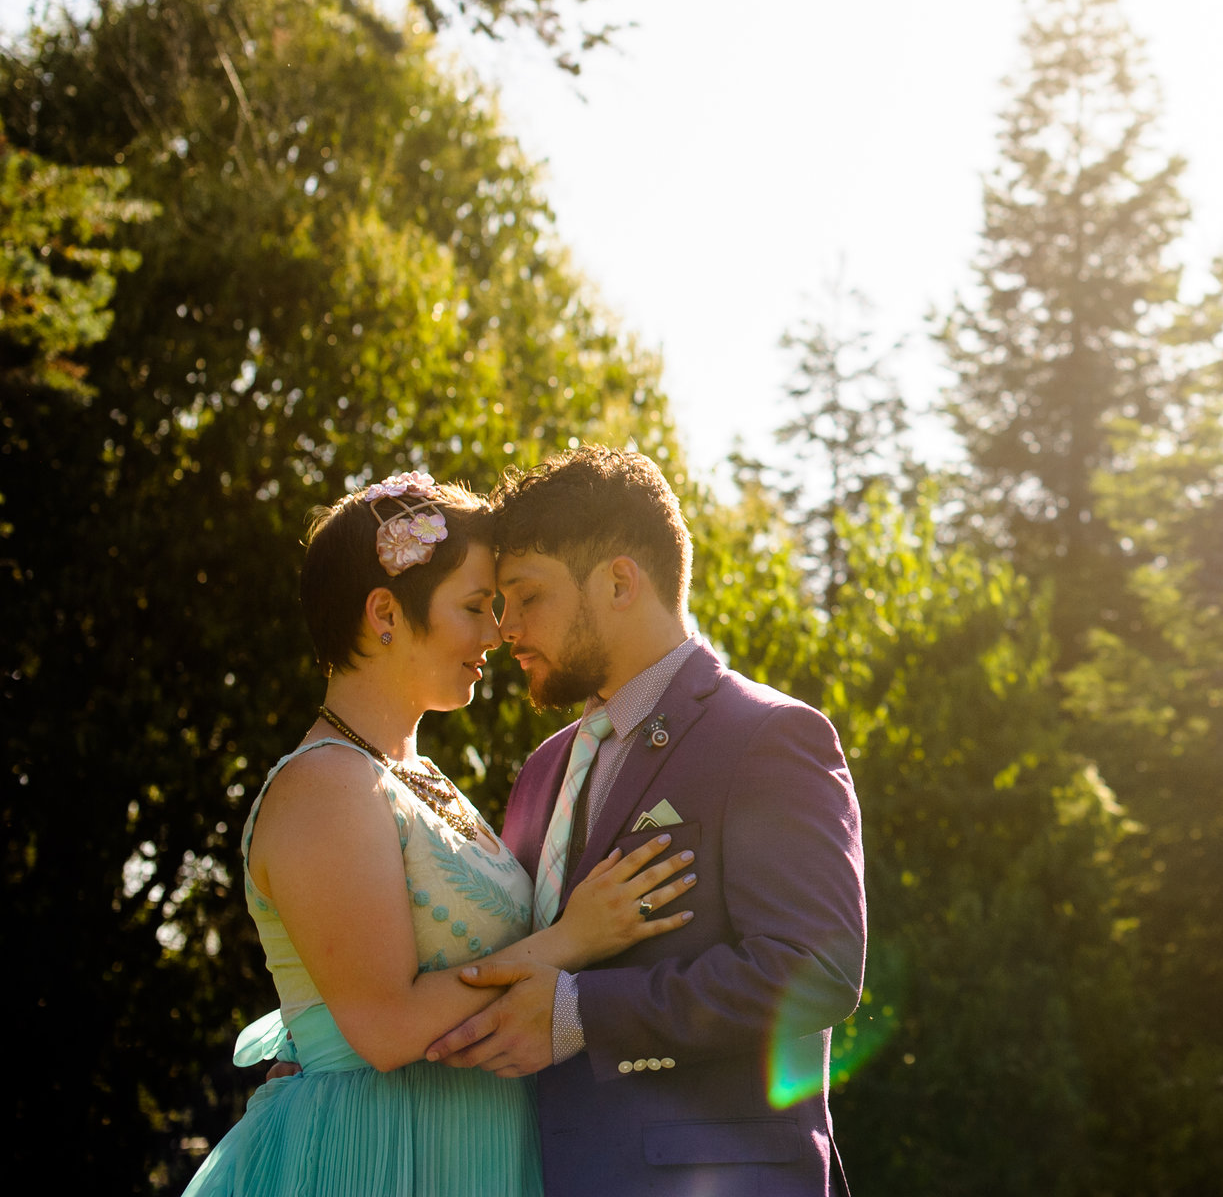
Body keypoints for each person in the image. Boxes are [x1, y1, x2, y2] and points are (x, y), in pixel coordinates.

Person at [186, 473, 700, 1197]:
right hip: (379, 1155)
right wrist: (574, 938)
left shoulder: (412, 774)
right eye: (475, 607)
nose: (498, 632)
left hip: (472, 1149)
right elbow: (389, 1027)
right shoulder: (327, 786)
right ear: (385, 613)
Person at [426, 447, 867, 1197]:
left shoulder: (769, 738)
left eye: (527, 597)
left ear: (620, 582)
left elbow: (814, 970)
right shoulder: (542, 771)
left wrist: (583, 1016)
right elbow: (507, 963)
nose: (506, 630)